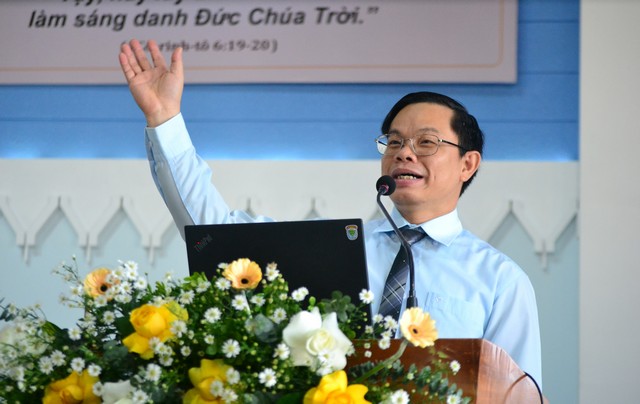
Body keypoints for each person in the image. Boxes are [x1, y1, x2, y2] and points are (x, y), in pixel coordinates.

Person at [119, 39, 542, 387]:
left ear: (468, 164)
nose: (404, 153)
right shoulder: (330, 249)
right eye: (394, 142)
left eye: (426, 143)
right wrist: (164, 119)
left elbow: (519, 393)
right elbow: (217, 234)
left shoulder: (500, 281)